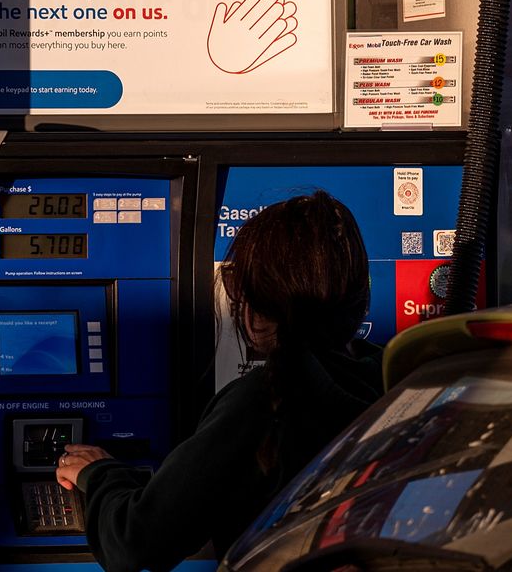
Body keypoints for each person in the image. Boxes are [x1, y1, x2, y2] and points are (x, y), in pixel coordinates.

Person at [55, 191, 383, 572]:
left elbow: (135, 541)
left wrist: (99, 475)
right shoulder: (393, 379)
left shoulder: (266, 401)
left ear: (261, 304)